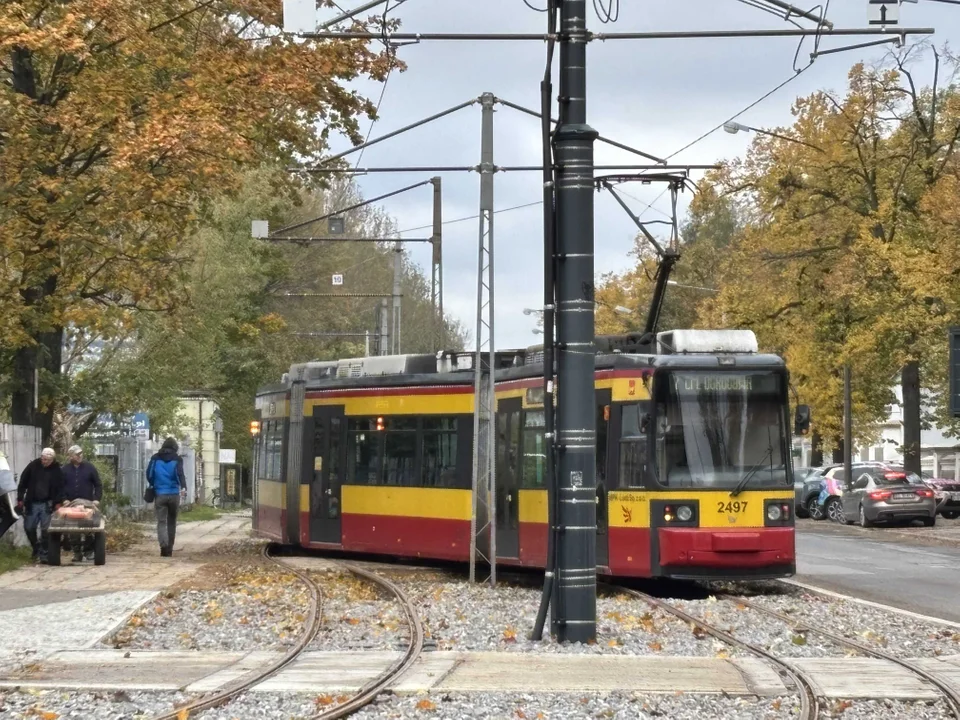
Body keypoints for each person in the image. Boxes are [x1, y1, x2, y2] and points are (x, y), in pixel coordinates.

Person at [16, 448, 64, 563]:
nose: (44, 461)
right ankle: (36, 548)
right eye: (43, 459)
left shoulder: (57, 470)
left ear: (52, 459)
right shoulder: (33, 466)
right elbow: (23, 482)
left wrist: (58, 502)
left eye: (47, 460)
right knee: (28, 527)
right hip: (32, 502)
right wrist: (20, 498)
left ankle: (44, 554)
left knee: (45, 530)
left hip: (47, 503)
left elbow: (60, 488)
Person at [146, 438, 186, 557]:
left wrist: (154, 483)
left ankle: (163, 546)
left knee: (161, 521)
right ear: (175, 448)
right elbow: (180, 474)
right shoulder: (177, 459)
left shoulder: (155, 458)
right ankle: (170, 548)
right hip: (174, 494)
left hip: (160, 494)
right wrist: (183, 487)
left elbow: (149, 474)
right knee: (172, 521)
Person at [62, 445, 102, 562]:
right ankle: (77, 553)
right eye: (76, 454)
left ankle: (89, 551)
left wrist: (96, 499)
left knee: (89, 528)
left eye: (81, 454)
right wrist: (64, 499)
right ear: (70, 456)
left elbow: (98, 485)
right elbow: (59, 487)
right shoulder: (64, 470)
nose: (80, 456)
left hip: (87, 504)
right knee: (73, 530)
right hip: (71, 505)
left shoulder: (90, 468)